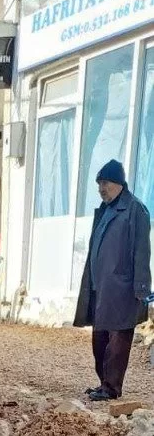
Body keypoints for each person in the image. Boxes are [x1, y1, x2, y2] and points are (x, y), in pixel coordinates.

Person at [74, 158, 151, 402]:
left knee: (118, 340)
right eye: (98, 184)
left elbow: (142, 251)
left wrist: (141, 289)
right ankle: (103, 382)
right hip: (101, 288)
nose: (100, 188)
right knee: (99, 340)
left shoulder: (135, 209)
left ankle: (111, 387)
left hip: (122, 288)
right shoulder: (106, 210)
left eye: (104, 183)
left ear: (118, 183)